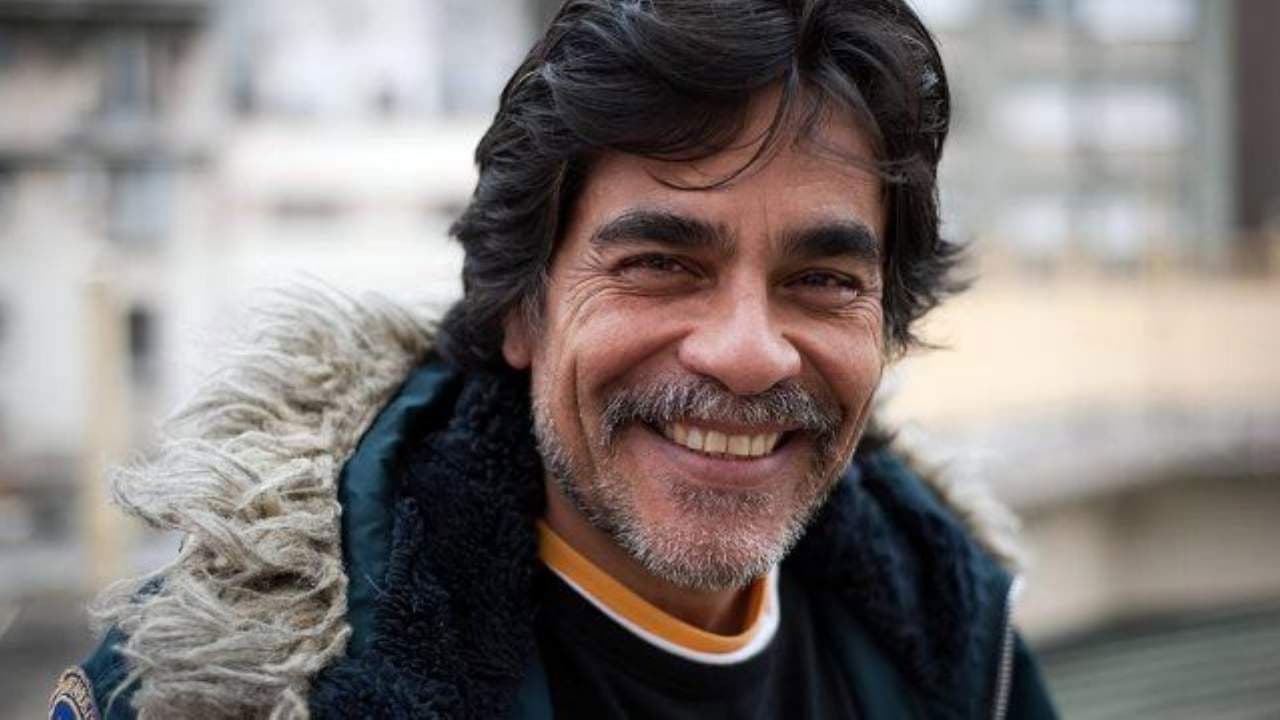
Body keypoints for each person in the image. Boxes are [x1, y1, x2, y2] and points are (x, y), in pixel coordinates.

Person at [50, 1, 1058, 718]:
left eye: (822, 280)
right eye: (661, 264)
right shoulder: (225, 678)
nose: (747, 354)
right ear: (520, 309)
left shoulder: (956, 641)